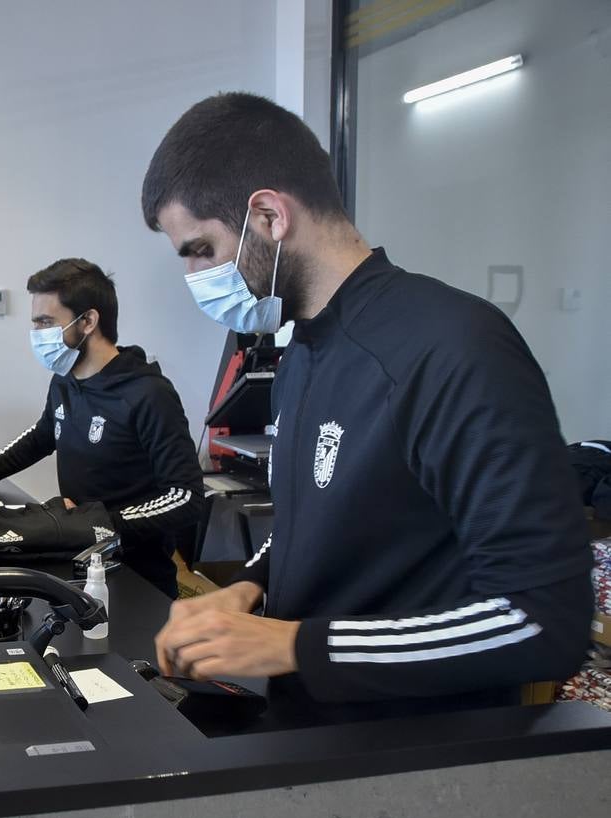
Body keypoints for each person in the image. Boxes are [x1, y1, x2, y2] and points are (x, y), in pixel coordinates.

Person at [141, 93, 592, 724]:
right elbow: (321, 525)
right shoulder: (302, 352)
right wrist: (249, 586)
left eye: (200, 251)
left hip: (417, 767)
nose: (195, 276)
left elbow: (544, 620)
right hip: (310, 732)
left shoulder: (449, 348)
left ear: (269, 215)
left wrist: (298, 644)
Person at [0, 258, 203, 599]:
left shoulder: (148, 393)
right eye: (35, 323)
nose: (37, 334)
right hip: (78, 562)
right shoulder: (65, 380)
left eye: (46, 322)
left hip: (136, 576)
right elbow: (42, 435)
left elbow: (187, 496)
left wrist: (101, 522)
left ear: (88, 321)